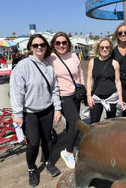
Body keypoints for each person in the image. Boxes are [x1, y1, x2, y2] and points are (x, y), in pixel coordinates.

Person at [10, 34, 62, 187]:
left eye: (42, 45)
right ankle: (31, 169)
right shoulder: (23, 66)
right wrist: (18, 114)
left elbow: (54, 89)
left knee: (47, 138)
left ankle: (47, 162)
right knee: (33, 142)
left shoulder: (48, 66)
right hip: (29, 112)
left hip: (47, 109)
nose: (39, 47)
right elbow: (16, 91)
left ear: (46, 47)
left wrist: (57, 108)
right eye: (35, 45)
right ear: (30, 48)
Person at [47, 32, 85, 169]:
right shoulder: (50, 58)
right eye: (58, 43)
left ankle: (73, 145)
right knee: (76, 123)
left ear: (68, 43)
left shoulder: (74, 56)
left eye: (64, 42)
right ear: (54, 44)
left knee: (70, 124)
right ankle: (68, 151)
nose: (61, 45)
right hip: (62, 96)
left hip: (76, 94)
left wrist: (83, 88)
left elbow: (80, 74)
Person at [86, 38, 123, 124]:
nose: (104, 49)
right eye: (102, 47)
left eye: (107, 47)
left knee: (111, 124)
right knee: (94, 123)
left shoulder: (115, 63)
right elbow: (89, 79)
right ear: (98, 48)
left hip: (111, 97)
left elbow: (118, 81)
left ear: (110, 48)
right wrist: (88, 96)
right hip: (96, 97)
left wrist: (120, 98)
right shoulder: (92, 62)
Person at [111, 23, 126, 116]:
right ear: (117, 35)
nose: (123, 34)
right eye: (120, 33)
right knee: (125, 111)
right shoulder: (113, 51)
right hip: (121, 85)